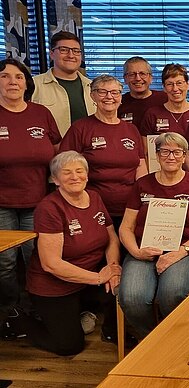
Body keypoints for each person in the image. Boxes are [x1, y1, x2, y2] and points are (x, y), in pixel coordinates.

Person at [24, 151, 122, 355]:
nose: (75, 176)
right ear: (55, 179)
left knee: (120, 287)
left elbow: (111, 237)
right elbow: (51, 264)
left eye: (79, 171)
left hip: (86, 278)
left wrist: (112, 268)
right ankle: (18, 320)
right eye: (67, 172)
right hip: (55, 285)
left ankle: (111, 332)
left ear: (87, 175)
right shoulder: (49, 208)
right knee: (69, 346)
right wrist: (98, 278)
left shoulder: (94, 197)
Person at [119, 132, 189, 339]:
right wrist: (136, 252)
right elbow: (126, 227)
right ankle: (152, 338)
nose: (171, 157)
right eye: (165, 151)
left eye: (177, 152)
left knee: (172, 293)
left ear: (184, 156)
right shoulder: (142, 185)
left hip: (184, 251)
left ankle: (173, 339)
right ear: (157, 155)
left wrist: (179, 253)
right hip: (143, 250)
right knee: (132, 297)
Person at [0, 59, 61, 334]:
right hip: (2, 204)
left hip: (38, 201)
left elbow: (57, 149)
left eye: (18, 77)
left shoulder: (41, 114)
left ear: (27, 83)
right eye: (4, 76)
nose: (12, 81)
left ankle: (38, 309)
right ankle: (10, 312)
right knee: (5, 263)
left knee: (36, 258)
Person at [60, 74, 148, 228]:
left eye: (115, 92)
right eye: (102, 92)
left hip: (129, 209)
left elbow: (140, 166)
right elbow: (64, 167)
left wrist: (142, 200)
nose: (109, 97)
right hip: (91, 208)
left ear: (120, 97)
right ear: (92, 95)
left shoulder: (131, 129)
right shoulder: (80, 128)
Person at [140, 64, 189, 171]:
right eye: (170, 84)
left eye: (179, 83)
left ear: (188, 84)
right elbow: (146, 153)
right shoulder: (152, 114)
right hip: (161, 174)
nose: (175, 89)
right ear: (164, 88)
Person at [31, 31, 95, 136]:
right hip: (50, 146)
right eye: (64, 50)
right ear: (52, 54)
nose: (71, 55)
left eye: (76, 51)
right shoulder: (33, 85)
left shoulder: (93, 87)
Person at [118, 56, 168, 128]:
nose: (138, 78)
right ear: (125, 79)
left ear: (151, 78)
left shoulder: (165, 99)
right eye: (132, 74)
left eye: (142, 74)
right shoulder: (118, 103)